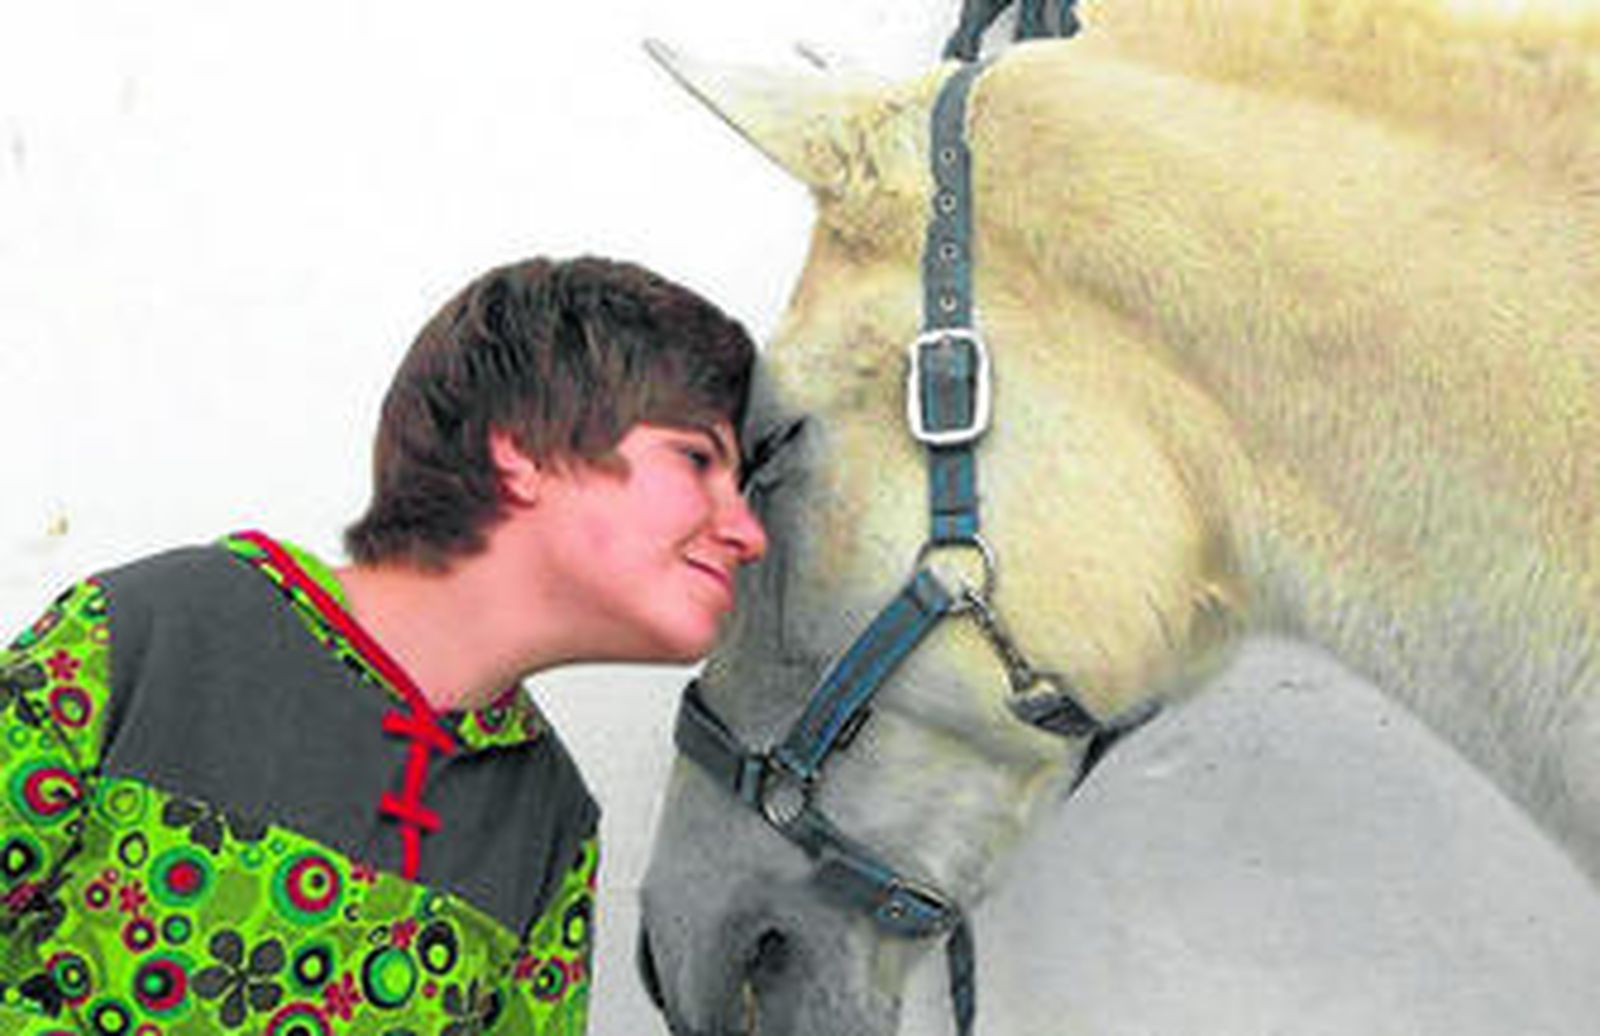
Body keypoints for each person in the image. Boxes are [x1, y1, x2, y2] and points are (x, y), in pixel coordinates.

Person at [0, 256, 768, 1034]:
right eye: (697, 459)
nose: (747, 530)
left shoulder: (549, 826)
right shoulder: (151, 636)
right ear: (526, 452)